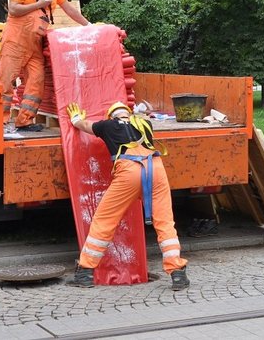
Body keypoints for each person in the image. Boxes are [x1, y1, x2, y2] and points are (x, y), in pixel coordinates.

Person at [65, 101, 190, 290]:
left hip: (129, 171)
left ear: (111, 116)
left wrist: (76, 119)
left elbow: (84, 126)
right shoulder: (144, 123)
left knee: (104, 220)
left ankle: (85, 272)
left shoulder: (107, 125)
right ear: (128, 113)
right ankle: (178, 274)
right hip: (155, 169)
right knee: (164, 222)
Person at [0, 0, 89, 133]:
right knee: (5, 83)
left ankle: (25, 121)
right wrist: (38, 4)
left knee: (36, 82)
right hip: (14, 42)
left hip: (35, 44)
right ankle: (0, 122)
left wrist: (89, 26)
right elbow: (13, 9)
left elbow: (69, 8)